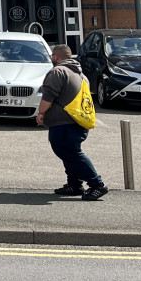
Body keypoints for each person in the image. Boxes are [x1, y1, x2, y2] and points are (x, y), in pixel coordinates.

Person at [37, 43, 107, 201]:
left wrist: (41, 113)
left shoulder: (57, 72)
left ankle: (97, 184)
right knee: (69, 152)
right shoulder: (81, 74)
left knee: (69, 153)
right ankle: (74, 184)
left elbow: (48, 96)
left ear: (56, 57)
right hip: (78, 120)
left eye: (52, 57)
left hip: (63, 122)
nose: (51, 59)